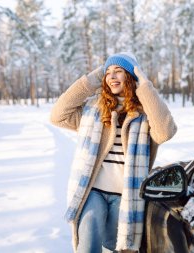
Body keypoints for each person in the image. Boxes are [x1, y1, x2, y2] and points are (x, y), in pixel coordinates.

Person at [50, 52, 177, 253]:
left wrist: (145, 87)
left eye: (118, 71)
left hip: (126, 195)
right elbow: (58, 115)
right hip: (93, 192)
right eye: (107, 72)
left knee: (118, 248)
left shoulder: (144, 114)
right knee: (88, 247)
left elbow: (165, 132)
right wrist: (92, 79)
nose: (112, 76)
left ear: (131, 76)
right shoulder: (94, 109)